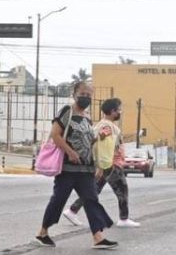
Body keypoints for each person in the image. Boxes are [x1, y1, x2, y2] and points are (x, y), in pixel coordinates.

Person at [35, 82, 117, 249]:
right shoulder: (67, 111)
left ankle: (98, 237)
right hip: (67, 168)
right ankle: (42, 233)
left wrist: (99, 137)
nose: (85, 97)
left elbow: (88, 141)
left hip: (86, 168)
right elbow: (55, 135)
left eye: (89, 94)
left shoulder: (87, 117)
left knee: (92, 199)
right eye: (82, 93)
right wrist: (70, 152)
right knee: (58, 200)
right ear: (74, 94)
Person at [63, 98, 141, 228]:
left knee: (94, 190)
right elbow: (103, 142)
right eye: (119, 110)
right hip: (110, 164)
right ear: (112, 111)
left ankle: (72, 210)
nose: (120, 112)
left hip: (106, 164)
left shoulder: (103, 124)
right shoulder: (107, 126)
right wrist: (102, 164)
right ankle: (123, 218)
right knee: (122, 189)